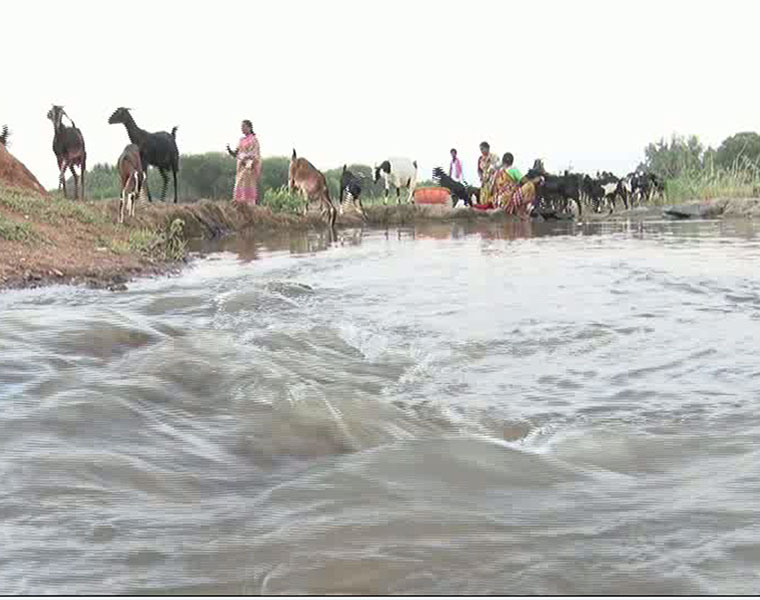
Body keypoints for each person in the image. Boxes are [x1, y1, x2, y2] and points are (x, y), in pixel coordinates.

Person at [490, 152, 537, 218]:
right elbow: (525, 181)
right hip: (508, 202)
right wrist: (538, 179)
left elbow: (492, 189)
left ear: (503, 161)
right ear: (512, 161)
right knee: (530, 185)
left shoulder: (497, 173)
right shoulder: (513, 170)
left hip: (497, 202)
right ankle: (524, 210)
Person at [226, 119, 261, 205]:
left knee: (247, 185)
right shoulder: (241, 140)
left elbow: (255, 153)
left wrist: (246, 157)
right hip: (240, 167)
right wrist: (230, 151)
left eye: (244, 127)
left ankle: (249, 205)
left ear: (249, 127)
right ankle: (239, 204)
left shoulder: (254, 140)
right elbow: (236, 153)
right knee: (238, 185)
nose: (242, 129)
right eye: (241, 127)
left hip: (249, 167)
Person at [476, 141, 500, 206]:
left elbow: (498, 168)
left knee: (492, 196)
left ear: (488, 148)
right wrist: (481, 178)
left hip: (493, 180)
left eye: (483, 149)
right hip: (484, 181)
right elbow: (479, 170)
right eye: (480, 149)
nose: (481, 151)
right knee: (483, 198)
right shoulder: (480, 159)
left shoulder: (494, 157)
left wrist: (491, 176)